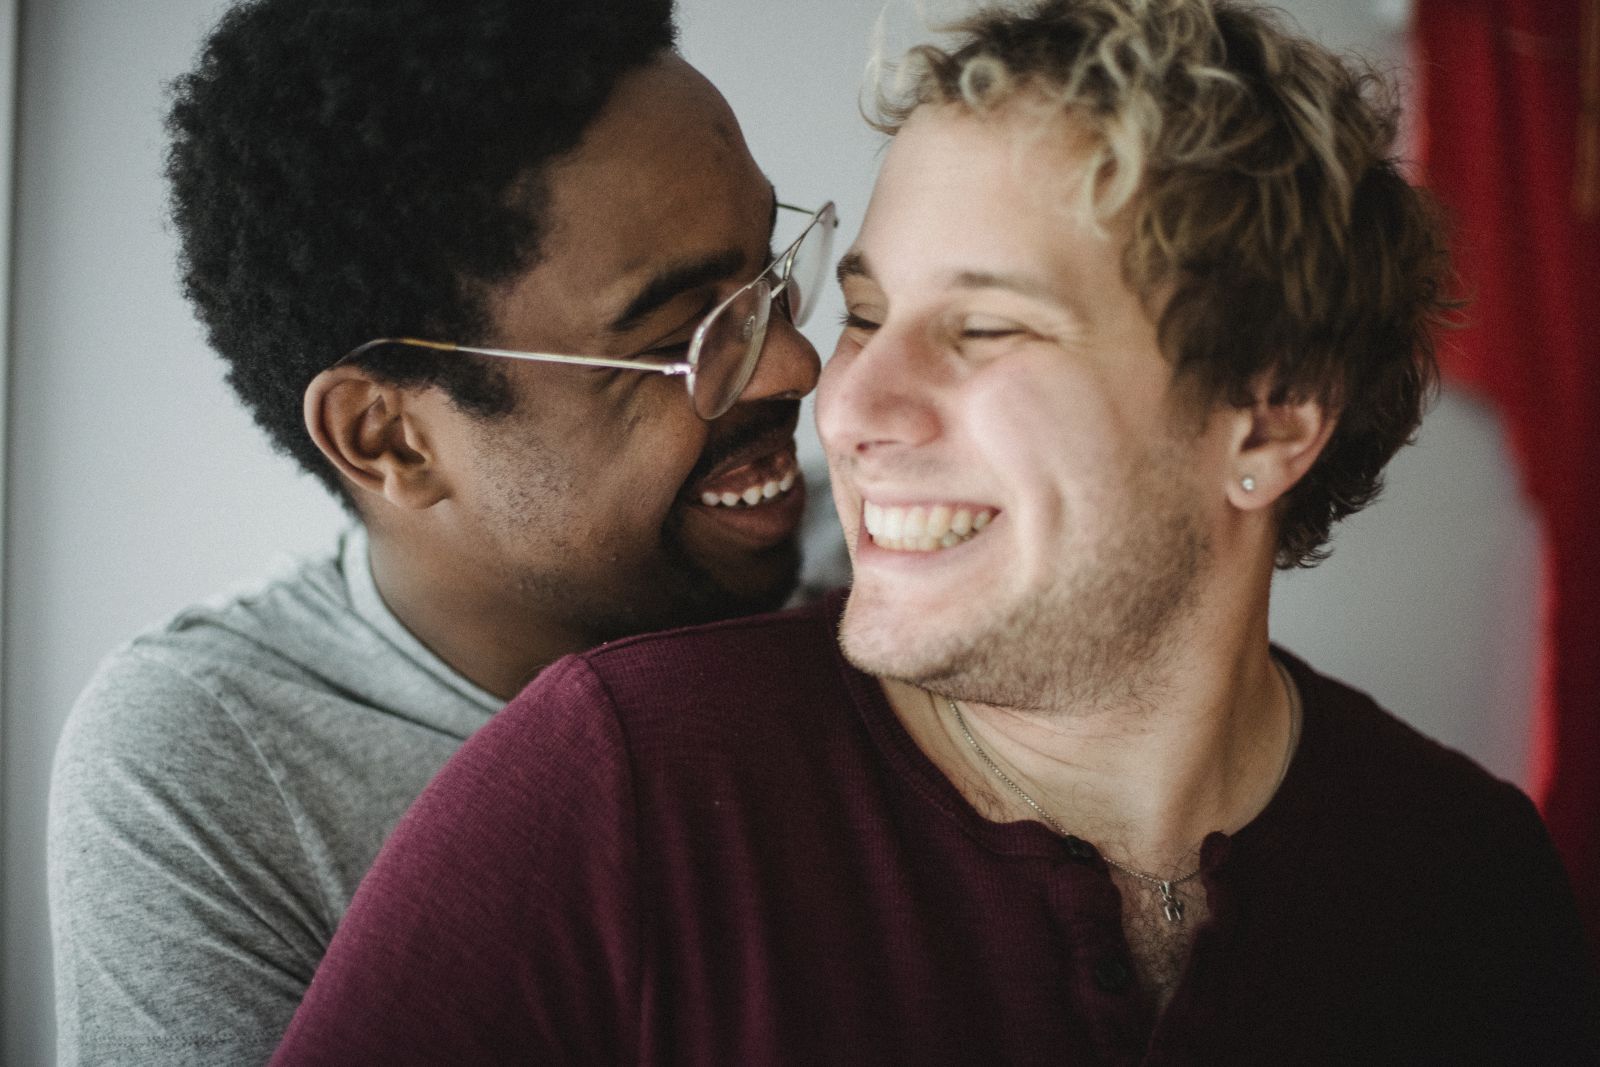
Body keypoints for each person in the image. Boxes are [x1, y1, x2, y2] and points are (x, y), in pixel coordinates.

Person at [272, 0, 1599, 1063]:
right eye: (863, 311)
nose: (842, 400)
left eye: (984, 328)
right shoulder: (616, 789)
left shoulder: (1468, 882)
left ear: (1267, 416)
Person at [46, 0, 835, 1063]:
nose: (798, 367)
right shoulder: (218, 763)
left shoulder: (879, 562)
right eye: (690, 336)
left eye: (771, 277)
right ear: (391, 437)